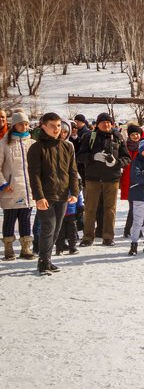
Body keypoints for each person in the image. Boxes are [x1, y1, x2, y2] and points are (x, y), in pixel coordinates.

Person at [27, 113, 79, 275]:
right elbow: (34, 174)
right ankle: (42, 262)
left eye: (58, 126)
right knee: (48, 228)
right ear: (43, 126)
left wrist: (75, 191)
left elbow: (72, 171)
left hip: (63, 194)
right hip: (46, 195)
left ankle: (48, 260)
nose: (56, 129)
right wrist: (39, 197)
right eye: (52, 126)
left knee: (56, 229)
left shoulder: (67, 146)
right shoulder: (36, 148)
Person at [77, 112, 130, 247]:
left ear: (112, 124)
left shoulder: (117, 137)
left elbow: (127, 158)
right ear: (97, 124)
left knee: (110, 209)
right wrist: (93, 157)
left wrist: (117, 163)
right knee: (90, 208)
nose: (106, 124)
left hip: (111, 178)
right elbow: (80, 156)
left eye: (108, 122)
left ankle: (108, 237)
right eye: (103, 122)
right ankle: (88, 237)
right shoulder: (89, 137)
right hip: (92, 178)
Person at [1, 112, 36, 261]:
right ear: (14, 125)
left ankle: (25, 247)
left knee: (25, 218)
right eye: (21, 124)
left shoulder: (32, 143)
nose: (24, 126)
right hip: (11, 188)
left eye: (27, 124)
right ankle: (8, 248)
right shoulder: (4, 143)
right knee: (10, 218)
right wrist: (3, 183)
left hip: (28, 189)